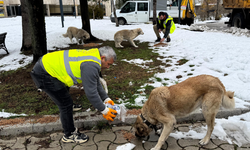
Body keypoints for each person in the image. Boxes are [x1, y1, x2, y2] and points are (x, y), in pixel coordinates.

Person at [30, 46, 117, 144]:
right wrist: (104, 110)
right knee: (65, 104)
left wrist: (106, 99)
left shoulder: (93, 56)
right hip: (44, 74)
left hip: (48, 65)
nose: (108, 67)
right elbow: (91, 93)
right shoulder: (91, 65)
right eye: (108, 64)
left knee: (66, 100)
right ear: (102, 58)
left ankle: (69, 110)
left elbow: (95, 82)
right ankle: (69, 134)